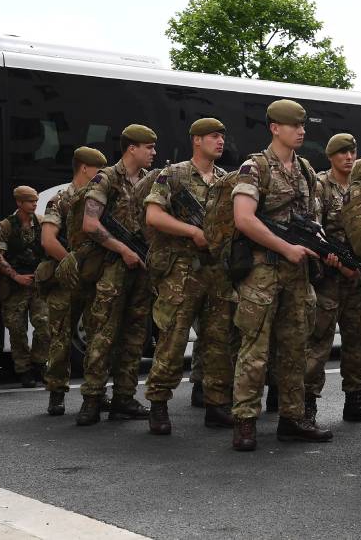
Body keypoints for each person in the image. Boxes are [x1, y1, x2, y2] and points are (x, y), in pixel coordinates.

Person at [230, 98, 333, 451]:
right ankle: (244, 420)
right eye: (294, 125)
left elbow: (313, 218)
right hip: (263, 273)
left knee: (295, 349)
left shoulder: (305, 169)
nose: (301, 131)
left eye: (303, 126)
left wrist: (323, 249)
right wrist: (284, 247)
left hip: (297, 274)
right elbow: (244, 218)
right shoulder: (254, 167)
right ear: (275, 128)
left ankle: (292, 418)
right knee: (255, 350)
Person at [143, 117, 238, 434]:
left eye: (222, 137)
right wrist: (192, 232)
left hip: (216, 273)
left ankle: (215, 405)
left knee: (218, 342)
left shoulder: (226, 179)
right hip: (181, 272)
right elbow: (153, 215)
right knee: (172, 339)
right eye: (213, 136)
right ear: (196, 140)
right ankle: (158, 404)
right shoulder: (173, 174)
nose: (220, 141)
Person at [75, 124, 157, 425]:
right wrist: (123, 250)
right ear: (131, 148)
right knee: (103, 334)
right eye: (148, 147)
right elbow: (90, 224)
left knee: (135, 336)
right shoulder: (106, 178)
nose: (153, 152)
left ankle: (124, 397)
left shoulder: (151, 180)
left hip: (142, 268)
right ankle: (92, 399)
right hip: (113, 267)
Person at [304, 133, 361, 424]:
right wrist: (332, 260)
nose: (349, 157)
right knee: (318, 342)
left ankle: (355, 399)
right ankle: (308, 403)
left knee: (360, 341)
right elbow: (314, 230)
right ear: (331, 157)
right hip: (328, 278)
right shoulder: (321, 186)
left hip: (358, 277)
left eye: (352, 152)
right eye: (342, 153)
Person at [41, 146, 108, 416]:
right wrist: (69, 259)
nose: (101, 176)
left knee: (98, 339)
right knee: (60, 340)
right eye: (97, 170)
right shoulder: (61, 200)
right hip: (66, 281)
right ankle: (57, 392)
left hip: (93, 278)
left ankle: (96, 393)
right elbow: (48, 240)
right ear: (84, 168)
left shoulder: (99, 200)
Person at [0, 186, 51, 388]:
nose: (34, 204)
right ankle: (23, 369)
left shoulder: (42, 223)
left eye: (35, 200)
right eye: (29, 201)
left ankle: (39, 364)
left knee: (44, 325)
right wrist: (16, 277)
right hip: (14, 286)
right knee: (17, 329)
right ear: (19, 203)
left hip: (37, 284)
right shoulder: (5, 226)